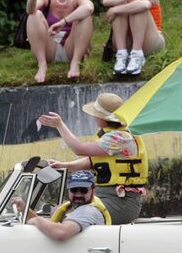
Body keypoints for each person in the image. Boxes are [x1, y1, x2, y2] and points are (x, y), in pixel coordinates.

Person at [38, 92, 148, 224]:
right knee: (58, 210)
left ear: (105, 118)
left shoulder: (120, 138)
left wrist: (60, 125)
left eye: (97, 115)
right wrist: (64, 165)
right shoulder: (111, 135)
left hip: (121, 201)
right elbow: (91, 161)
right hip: (102, 197)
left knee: (68, 215)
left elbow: (80, 149)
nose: (94, 117)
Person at [25, 0, 95, 83]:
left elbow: (89, 8)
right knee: (34, 15)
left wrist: (63, 22)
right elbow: (29, 10)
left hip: (72, 48)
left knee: (85, 16)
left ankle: (75, 62)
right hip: (49, 48)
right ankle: (42, 65)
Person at [102, 0, 166, 75]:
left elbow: (145, 5)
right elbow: (105, 1)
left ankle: (137, 55)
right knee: (121, 5)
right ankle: (121, 56)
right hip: (126, 42)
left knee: (136, 7)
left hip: (150, 40)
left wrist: (115, 10)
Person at [11, 170, 111, 241]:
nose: (78, 194)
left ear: (93, 190)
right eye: (74, 190)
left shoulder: (88, 211)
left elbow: (61, 232)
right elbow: (50, 226)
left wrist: (36, 220)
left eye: (83, 190)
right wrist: (25, 209)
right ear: (68, 190)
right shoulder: (72, 208)